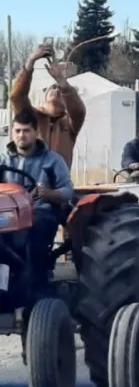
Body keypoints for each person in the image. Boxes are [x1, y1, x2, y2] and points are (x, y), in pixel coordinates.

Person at [1, 108, 74, 279]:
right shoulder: (3, 160)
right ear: (12, 133)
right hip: (7, 215)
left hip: (40, 211)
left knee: (34, 231)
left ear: (35, 132)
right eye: (17, 131)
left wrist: (48, 193)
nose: (21, 135)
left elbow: (67, 191)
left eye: (26, 131)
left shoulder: (52, 160)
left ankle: (35, 282)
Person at [10, 43, 86, 169]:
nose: (56, 90)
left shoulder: (69, 124)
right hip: (30, 180)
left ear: (66, 99)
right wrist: (30, 63)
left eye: (59, 90)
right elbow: (17, 97)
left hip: (59, 183)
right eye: (52, 88)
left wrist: (61, 81)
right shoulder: (31, 116)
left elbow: (79, 111)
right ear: (44, 96)